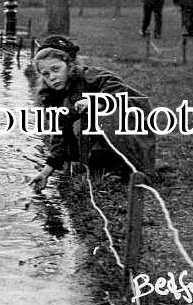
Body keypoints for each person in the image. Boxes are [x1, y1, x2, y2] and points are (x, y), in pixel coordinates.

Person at [27, 36, 156, 191]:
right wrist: (45, 173)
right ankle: (104, 166)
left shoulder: (89, 76)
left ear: (69, 65)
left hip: (131, 120)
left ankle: (136, 169)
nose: (52, 77)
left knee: (98, 114)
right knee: (74, 128)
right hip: (98, 132)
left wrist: (97, 102)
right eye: (46, 74)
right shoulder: (54, 97)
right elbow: (59, 136)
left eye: (56, 69)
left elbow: (118, 89)